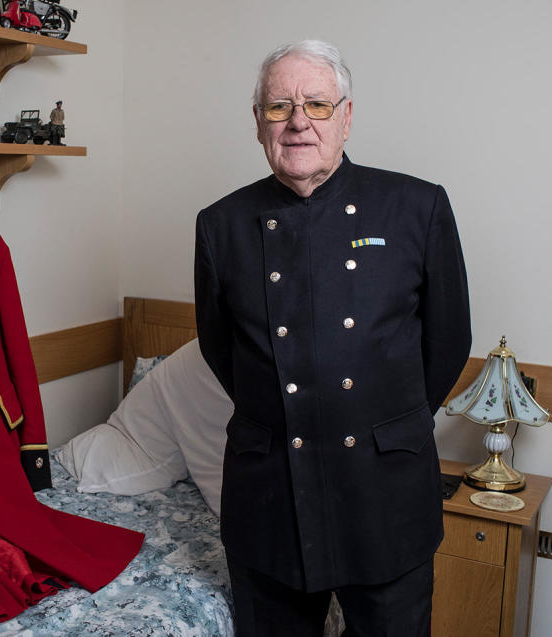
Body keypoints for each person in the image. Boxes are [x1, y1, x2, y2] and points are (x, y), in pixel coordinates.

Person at [194, 40, 471, 637]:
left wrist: (379, 419)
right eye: (279, 106)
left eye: (317, 104)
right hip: (269, 500)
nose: (298, 121)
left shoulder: (417, 206)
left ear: (346, 117)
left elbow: (448, 344)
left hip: (386, 496)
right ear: (258, 122)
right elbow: (223, 351)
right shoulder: (220, 224)